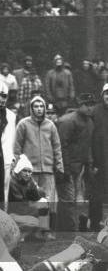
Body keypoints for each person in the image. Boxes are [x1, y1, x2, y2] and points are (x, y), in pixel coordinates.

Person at [14, 95, 64, 231]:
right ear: (31, 108)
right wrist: (17, 168)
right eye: (36, 106)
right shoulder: (23, 124)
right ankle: (28, 230)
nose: (39, 109)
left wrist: (59, 166)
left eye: (41, 106)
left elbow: (57, 147)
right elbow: (16, 148)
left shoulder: (50, 125)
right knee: (30, 201)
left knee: (49, 200)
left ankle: (45, 230)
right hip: (29, 172)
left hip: (47, 170)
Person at [56, 93, 94, 233]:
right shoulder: (68, 121)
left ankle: (76, 225)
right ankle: (69, 229)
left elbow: (88, 145)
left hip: (81, 167)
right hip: (68, 166)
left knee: (80, 199)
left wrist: (89, 164)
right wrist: (64, 168)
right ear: (80, 105)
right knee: (68, 199)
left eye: (91, 105)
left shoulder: (89, 122)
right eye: (86, 105)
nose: (90, 108)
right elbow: (61, 146)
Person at [89, 84, 108, 233]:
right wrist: (93, 161)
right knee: (96, 194)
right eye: (106, 94)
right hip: (98, 160)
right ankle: (95, 223)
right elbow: (89, 136)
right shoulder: (95, 111)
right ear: (102, 96)